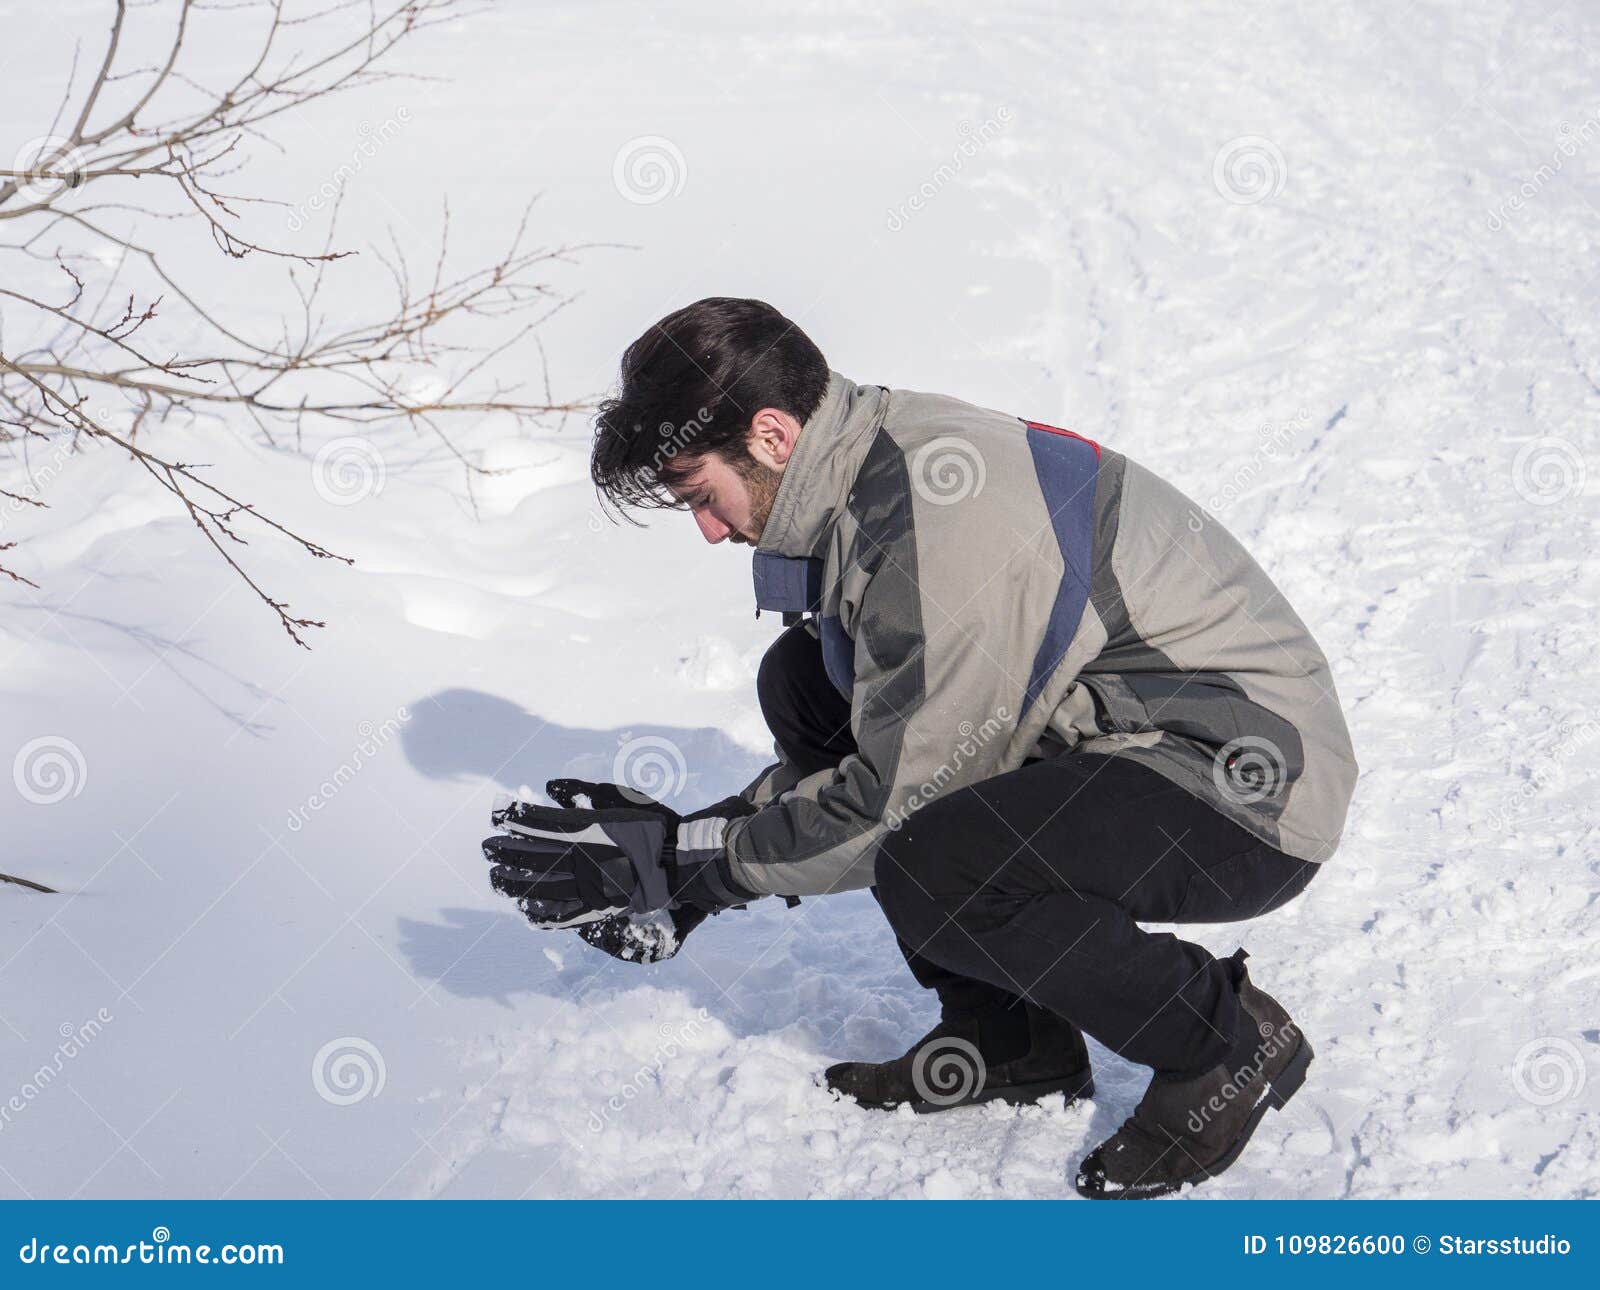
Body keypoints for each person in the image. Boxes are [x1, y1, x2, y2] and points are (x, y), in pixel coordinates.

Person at [481, 297, 1358, 1199]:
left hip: (1240, 782)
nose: (708, 530)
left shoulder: (939, 517)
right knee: (808, 681)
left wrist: (692, 868)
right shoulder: (868, 467)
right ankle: (1014, 1043)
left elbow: (902, 794)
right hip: (1114, 728)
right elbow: (894, 735)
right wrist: (696, 843)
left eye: (703, 495)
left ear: (773, 435)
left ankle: (1222, 1043)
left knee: (937, 863)